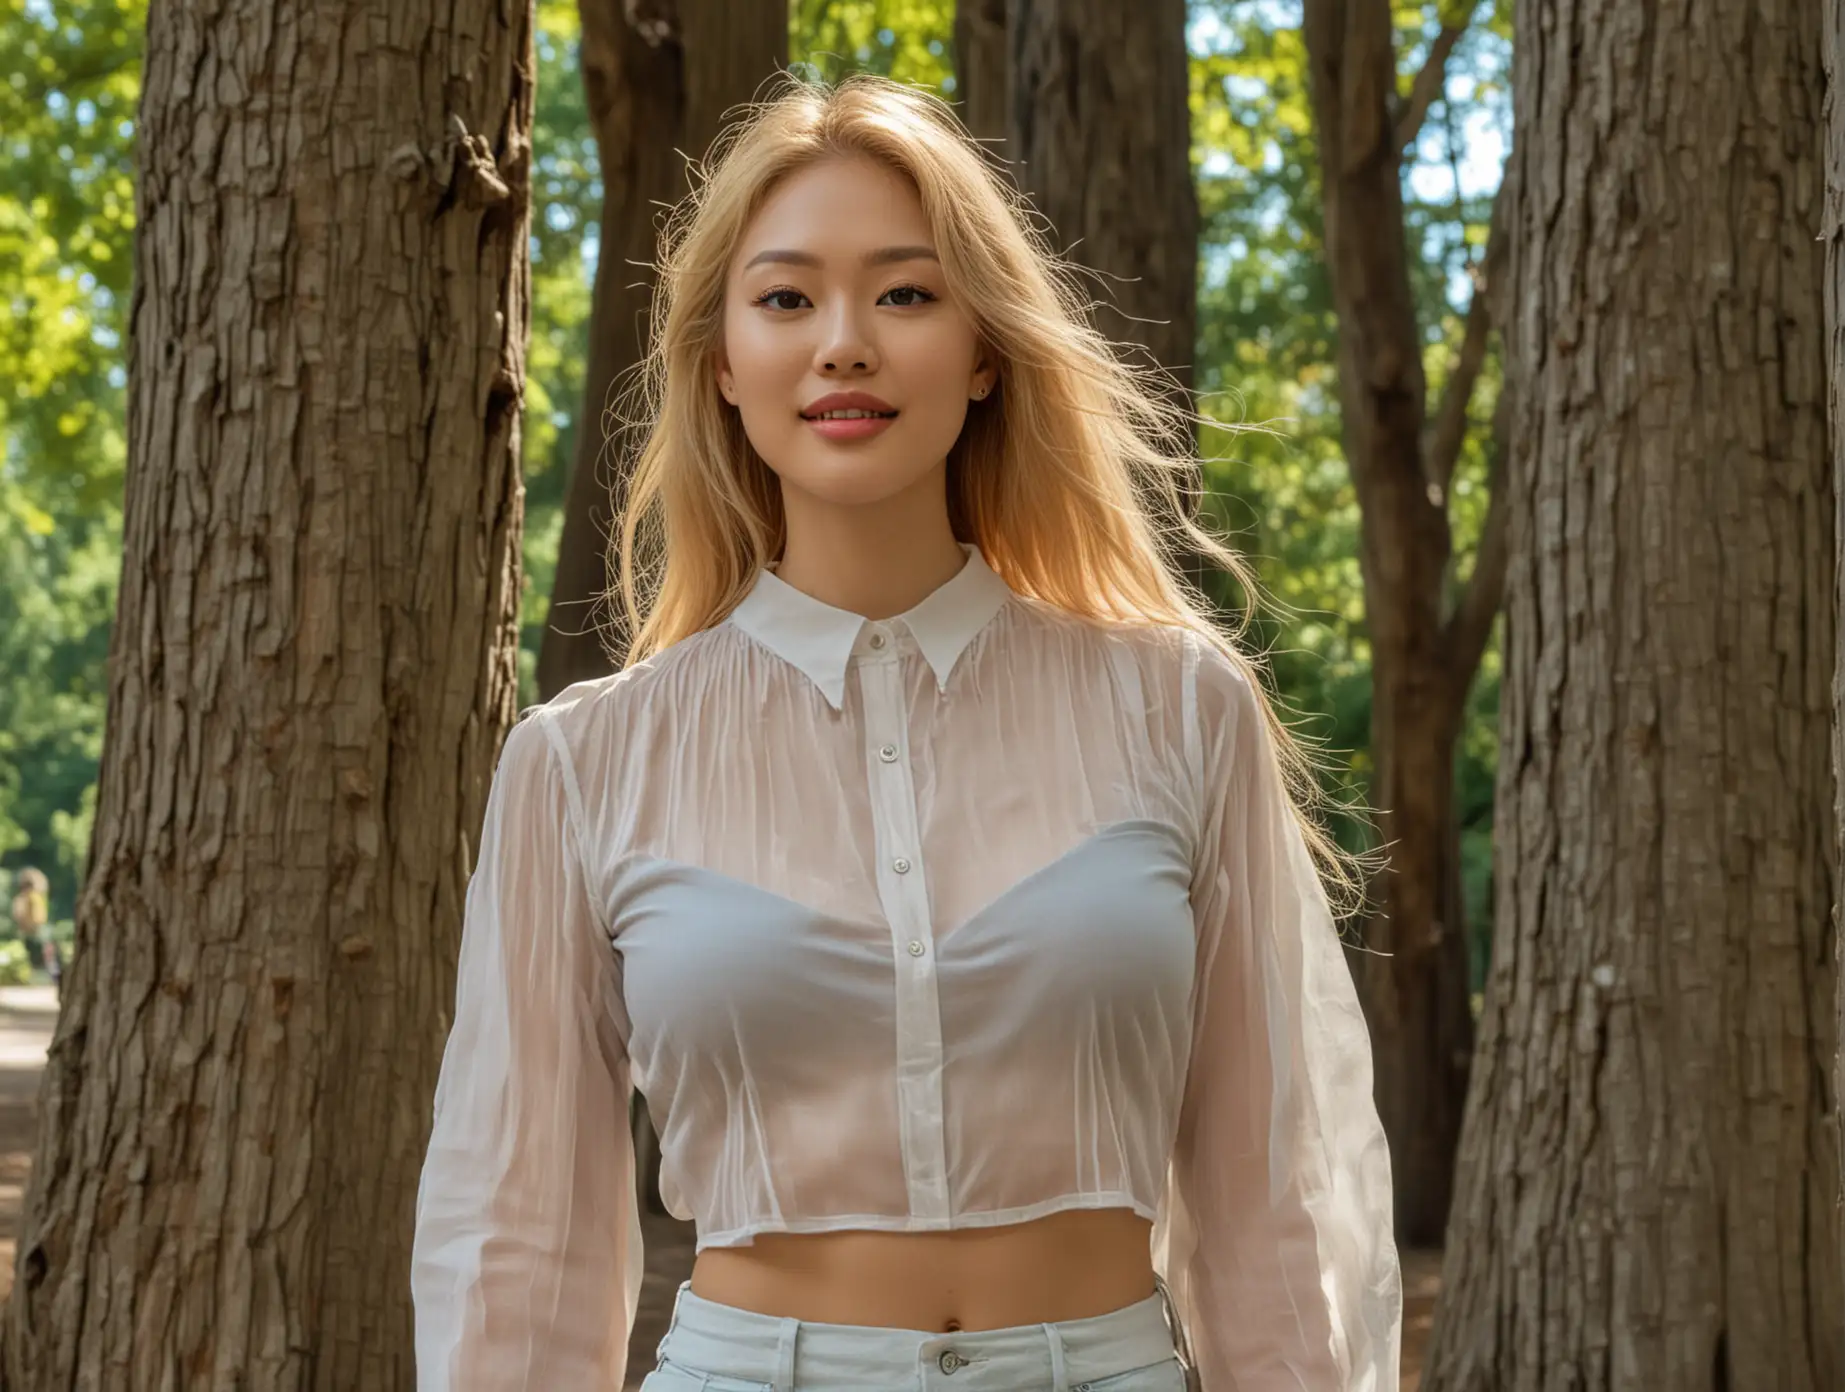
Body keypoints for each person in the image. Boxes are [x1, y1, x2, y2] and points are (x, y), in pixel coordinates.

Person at [411, 72, 1400, 1392]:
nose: (844, 343)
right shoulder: (585, 763)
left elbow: (1276, 1195)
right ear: (723, 363)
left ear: (984, 349)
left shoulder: (1178, 707)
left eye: (905, 292)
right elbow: (518, 1238)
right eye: (785, 298)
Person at [8, 868, 55, 999]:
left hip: (33, 932)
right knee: (40, 958)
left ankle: (39, 979)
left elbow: (33, 917)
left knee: (37, 958)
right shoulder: (33, 897)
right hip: (35, 932)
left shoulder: (30, 897)